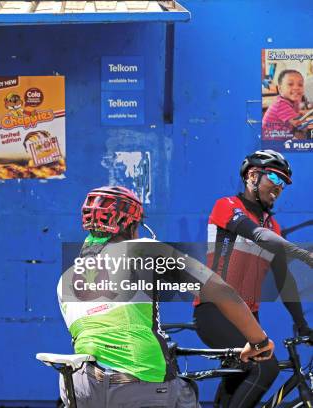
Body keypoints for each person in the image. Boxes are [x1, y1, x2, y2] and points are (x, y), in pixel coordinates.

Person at [58, 186, 275, 408]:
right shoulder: (142, 251)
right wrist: (259, 342)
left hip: (80, 388)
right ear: (131, 224)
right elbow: (219, 291)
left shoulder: (65, 281)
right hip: (141, 385)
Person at [194, 149, 313, 407]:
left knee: (236, 381)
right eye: (275, 178)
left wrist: (302, 325)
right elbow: (257, 235)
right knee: (265, 367)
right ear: (252, 176)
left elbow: (284, 281)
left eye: (284, 183)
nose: (280, 187)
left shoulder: (274, 228)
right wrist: (304, 255)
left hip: (248, 316)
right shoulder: (227, 206)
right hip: (215, 311)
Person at [262, 69, 313, 140]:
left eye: (300, 85)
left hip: (284, 135)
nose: (296, 88)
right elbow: (298, 123)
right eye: (290, 84)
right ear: (280, 89)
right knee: (305, 133)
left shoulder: (293, 101)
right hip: (270, 141)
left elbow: (298, 114)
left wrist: (308, 112)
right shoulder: (280, 104)